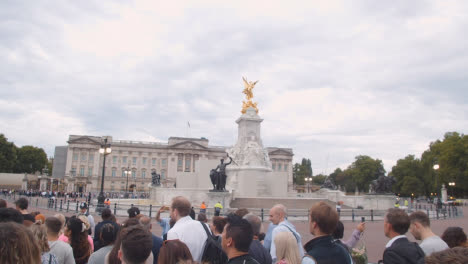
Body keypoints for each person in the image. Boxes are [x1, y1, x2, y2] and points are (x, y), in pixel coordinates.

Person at [167, 196, 208, 262]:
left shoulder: (173, 232)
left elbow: (172, 259)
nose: (170, 213)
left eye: (170, 210)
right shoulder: (205, 226)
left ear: (175, 211)